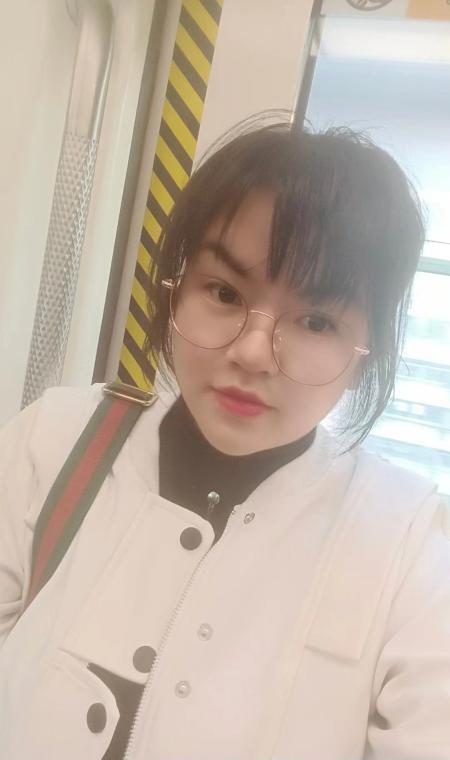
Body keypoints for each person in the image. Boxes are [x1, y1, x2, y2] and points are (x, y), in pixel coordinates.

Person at [0, 119, 449, 760]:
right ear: (176, 287)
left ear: (366, 353)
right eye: (224, 292)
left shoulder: (410, 545)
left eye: (316, 321)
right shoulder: (56, 439)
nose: (252, 352)